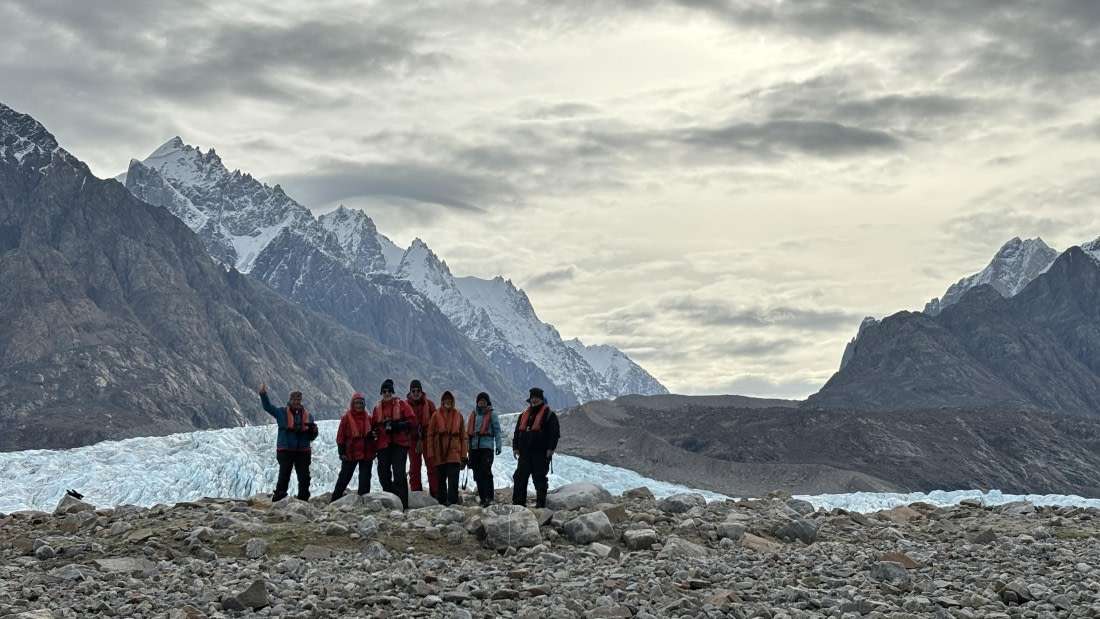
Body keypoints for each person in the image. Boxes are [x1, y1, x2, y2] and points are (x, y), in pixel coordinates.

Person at [258, 382, 318, 502]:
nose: (296, 401)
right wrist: (263, 394)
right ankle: (280, 497)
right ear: (290, 400)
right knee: (284, 475)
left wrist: (314, 431)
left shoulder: (308, 416)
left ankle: (303, 499)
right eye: (294, 399)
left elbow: (311, 437)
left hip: (303, 450)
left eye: (298, 399)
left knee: (304, 477)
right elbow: (267, 407)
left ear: (301, 401)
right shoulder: (281, 412)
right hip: (286, 450)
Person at [371, 378, 417, 509]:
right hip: (383, 445)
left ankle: (403, 505)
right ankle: (391, 499)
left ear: (392, 392)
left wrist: (398, 426)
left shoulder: (402, 405)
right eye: (384, 391)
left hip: (399, 444)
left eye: (389, 391)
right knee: (383, 473)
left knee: (399, 475)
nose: (387, 393)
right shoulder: (377, 408)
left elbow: (413, 421)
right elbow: (373, 425)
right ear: (381, 393)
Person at [512, 387, 560, 508]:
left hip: (541, 453)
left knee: (539, 478)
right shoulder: (523, 415)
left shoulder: (550, 415)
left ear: (541, 399)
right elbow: (517, 432)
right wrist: (515, 447)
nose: (534, 400)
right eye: (532, 398)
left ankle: (540, 504)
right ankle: (518, 503)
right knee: (519, 477)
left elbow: (554, 434)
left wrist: (551, 449)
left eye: (536, 398)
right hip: (524, 453)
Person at [331, 393, 377, 502]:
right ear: (352, 404)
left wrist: (374, 447)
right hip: (350, 452)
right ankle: (335, 500)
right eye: (356, 403)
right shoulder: (346, 419)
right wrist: (341, 452)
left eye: (361, 403)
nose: (358, 405)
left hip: (366, 452)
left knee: (365, 478)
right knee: (344, 477)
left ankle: (363, 500)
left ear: (364, 404)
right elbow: (341, 436)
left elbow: (373, 435)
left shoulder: (369, 419)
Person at [426, 390, 468, 506]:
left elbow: (463, 437)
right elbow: (430, 435)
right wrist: (431, 453)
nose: (447, 402)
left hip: (454, 452)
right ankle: (442, 501)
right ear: (442, 401)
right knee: (440, 479)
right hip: (439, 450)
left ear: (452, 401)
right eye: (445, 400)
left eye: (449, 400)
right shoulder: (435, 415)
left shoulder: (458, 415)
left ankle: (453, 501)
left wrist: (463, 455)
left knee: (453, 479)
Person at [467, 391, 502, 507]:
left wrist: (498, 445)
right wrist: (468, 448)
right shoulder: (474, 414)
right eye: (480, 401)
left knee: (486, 471)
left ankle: (490, 498)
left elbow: (497, 430)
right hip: (474, 446)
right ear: (477, 402)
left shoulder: (492, 414)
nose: (482, 403)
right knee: (477, 472)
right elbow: (469, 433)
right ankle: (483, 498)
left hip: (486, 446)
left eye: (484, 401)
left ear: (487, 403)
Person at [405, 379, 438, 498]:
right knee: (414, 468)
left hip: (427, 439)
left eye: (418, 390)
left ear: (421, 391)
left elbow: (436, 422)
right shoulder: (404, 405)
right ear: (410, 392)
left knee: (432, 467)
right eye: (413, 390)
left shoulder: (430, 404)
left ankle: (436, 494)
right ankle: (416, 494)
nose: (416, 392)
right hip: (413, 440)